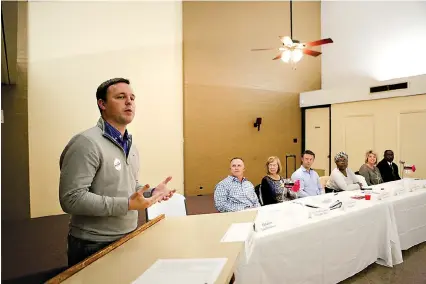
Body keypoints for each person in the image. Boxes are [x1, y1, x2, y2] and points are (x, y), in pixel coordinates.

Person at [59, 78, 176, 267]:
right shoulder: (86, 143)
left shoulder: (130, 144)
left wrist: (151, 192)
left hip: (128, 235)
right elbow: (71, 199)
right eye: (121, 97)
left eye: (132, 97)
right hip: (93, 243)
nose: (129, 101)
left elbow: (126, 186)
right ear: (102, 104)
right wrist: (127, 204)